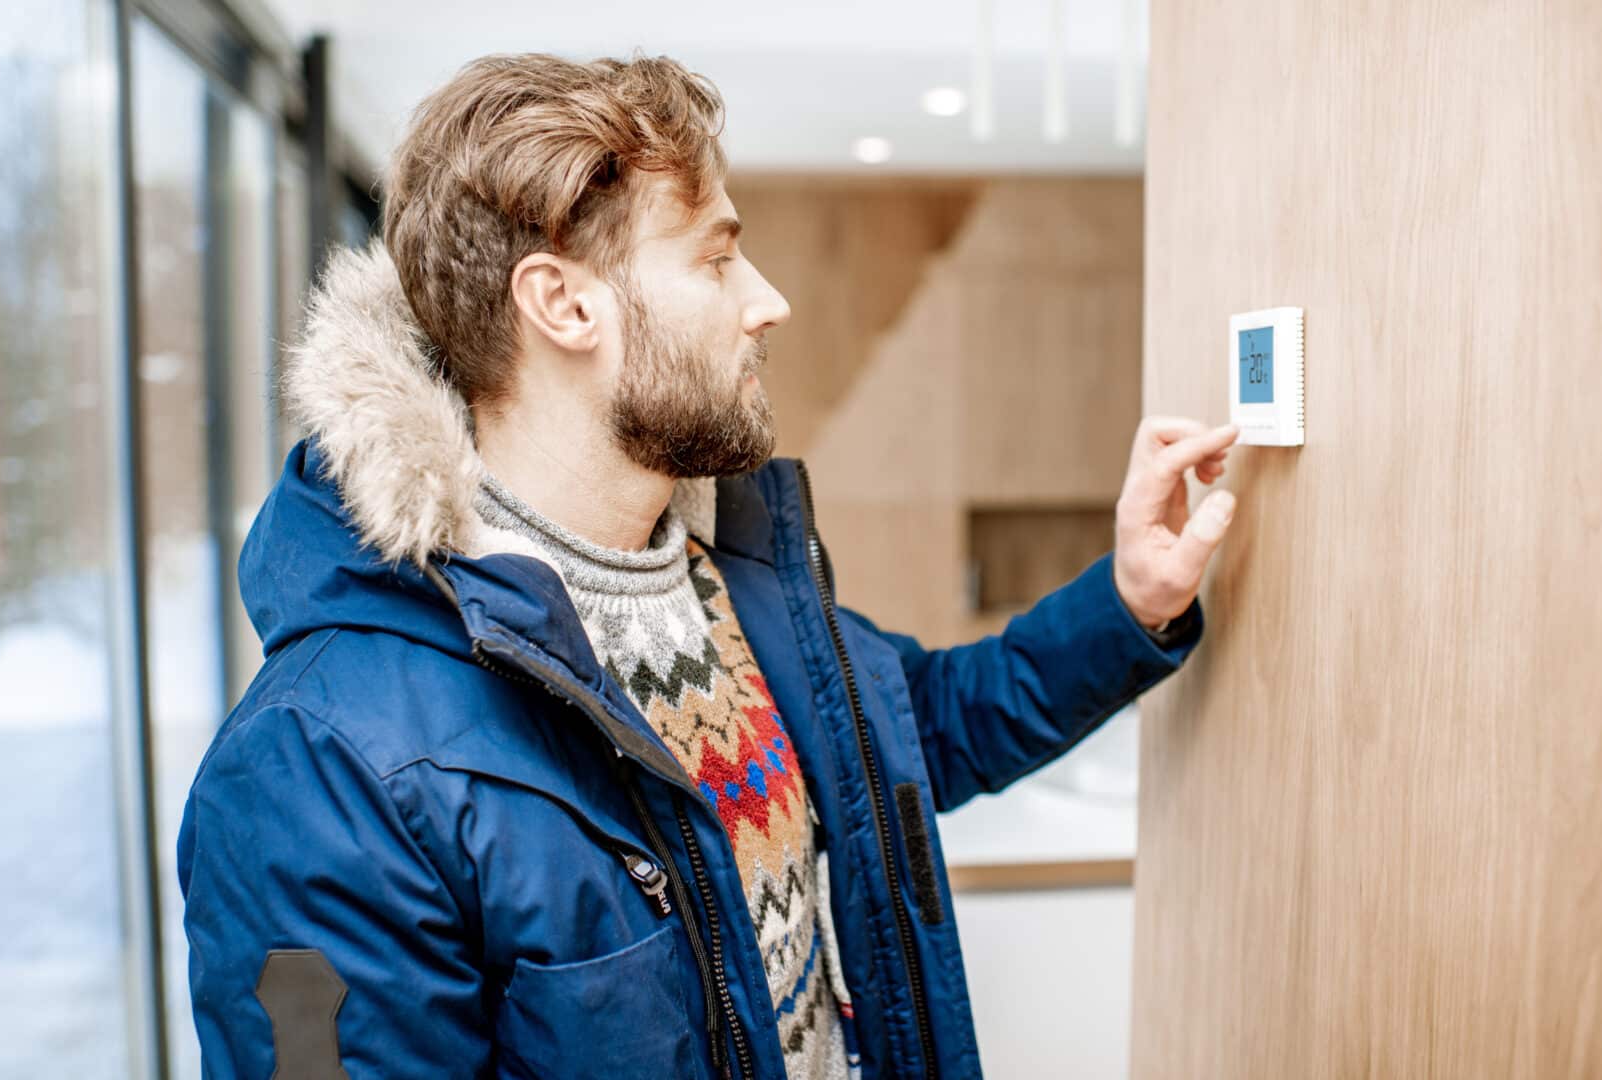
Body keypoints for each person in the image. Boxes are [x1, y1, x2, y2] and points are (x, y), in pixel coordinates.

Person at [178, 52, 1239, 1080]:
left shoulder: (726, 578)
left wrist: (1131, 600)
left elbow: (921, 730)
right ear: (563, 304)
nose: (764, 300)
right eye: (717, 256)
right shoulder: (316, 768)